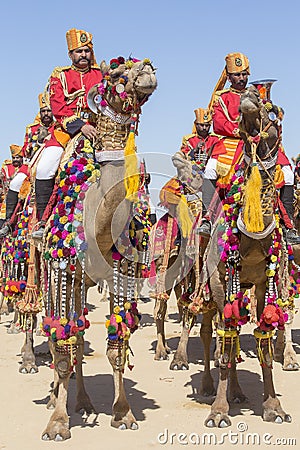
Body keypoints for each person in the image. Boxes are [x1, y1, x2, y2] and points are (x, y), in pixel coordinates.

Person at [198, 52, 300, 244]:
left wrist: (274, 114)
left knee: (287, 172)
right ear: (228, 77)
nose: (242, 78)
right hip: (232, 142)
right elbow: (218, 124)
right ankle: (207, 220)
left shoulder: (257, 96)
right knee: (211, 169)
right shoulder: (222, 97)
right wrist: (242, 131)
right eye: (237, 75)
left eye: (245, 74)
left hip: (258, 143)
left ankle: (289, 227)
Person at [32, 27, 103, 240]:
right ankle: (42, 222)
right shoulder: (60, 76)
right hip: (66, 132)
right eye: (78, 51)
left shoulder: (100, 75)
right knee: (45, 166)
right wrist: (81, 126)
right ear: (70, 55)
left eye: (86, 51)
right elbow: (58, 109)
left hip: (98, 131)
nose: (83, 55)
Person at [0, 145, 29, 236]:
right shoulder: (7, 168)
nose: (15, 160)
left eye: (18, 157)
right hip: (6, 203)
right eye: (14, 158)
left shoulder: (25, 168)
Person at [22, 92, 55, 159]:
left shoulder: (58, 127)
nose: (46, 113)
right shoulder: (32, 129)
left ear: (53, 112)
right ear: (40, 113)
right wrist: (38, 141)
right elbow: (25, 153)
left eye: (48, 111)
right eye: (43, 111)